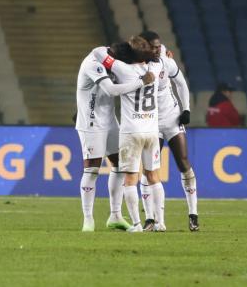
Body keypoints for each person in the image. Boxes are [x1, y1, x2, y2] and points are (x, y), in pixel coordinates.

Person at [75, 41, 154, 232]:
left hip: (110, 121)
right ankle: (88, 220)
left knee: (120, 164)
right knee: (92, 170)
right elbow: (110, 90)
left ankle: (115, 215)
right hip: (91, 122)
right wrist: (141, 81)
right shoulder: (94, 63)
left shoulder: (109, 54)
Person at [94, 36, 162, 233]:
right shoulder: (155, 68)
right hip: (151, 131)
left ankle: (137, 225)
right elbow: (159, 55)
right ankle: (159, 222)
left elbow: (99, 53)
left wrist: (115, 50)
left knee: (130, 180)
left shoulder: (123, 69)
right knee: (153, 177)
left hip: (132, 132)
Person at [137, 31, 199, 232]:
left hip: (171, 118)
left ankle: (193, 215)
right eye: (153, 47)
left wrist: (186, 108)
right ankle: (151, 219)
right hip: (150, 122)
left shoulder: (166, 61)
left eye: (159, 46)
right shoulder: (134, 64)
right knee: (149, 170)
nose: (157, 50)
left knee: (183, 162)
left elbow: (181, 83)